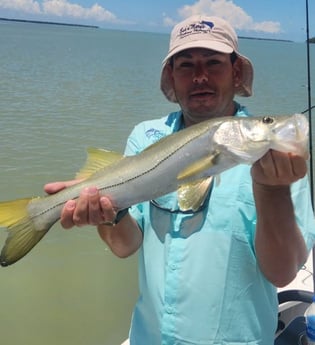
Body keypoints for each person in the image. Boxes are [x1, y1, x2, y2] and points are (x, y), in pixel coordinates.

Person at [45, 15, 315, 345]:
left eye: (213, 63)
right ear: (171, 76)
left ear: (236, 72)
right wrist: (109, 214)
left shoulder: (277, 160)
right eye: (186, 65)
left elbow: (283, 272)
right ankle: (38, 214)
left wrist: (272, 192)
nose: (200, 76)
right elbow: (124, 245)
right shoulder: (145, 137)